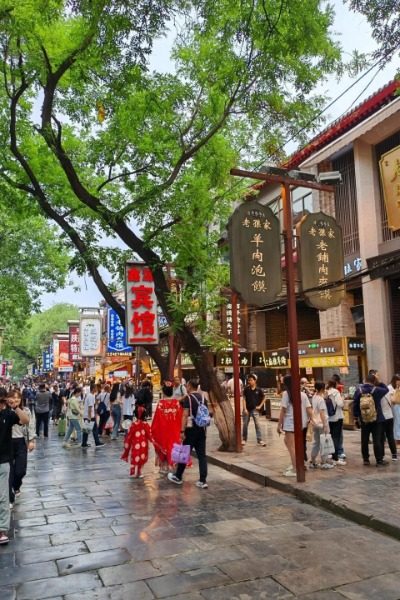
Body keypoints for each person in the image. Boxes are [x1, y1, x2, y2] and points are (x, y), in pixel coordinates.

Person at [0, 387, 30, 544]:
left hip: (4, 458)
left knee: (3, 496)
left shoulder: (8, 414)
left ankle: (2, 529)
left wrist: (15, 407)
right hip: (6, 453)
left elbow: (26, 421)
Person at [168, 378, 209, 488]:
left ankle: (178, 476)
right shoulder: (204, 398)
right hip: (202, 430)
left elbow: (185, 415)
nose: (186, 387)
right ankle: (203, 480)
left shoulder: (189, 399)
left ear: (190, 386)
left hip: (190, 430)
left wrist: (182, 431)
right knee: (202, 456)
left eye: (187, 386)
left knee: (184, 453)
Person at [277, 375, 312, 477]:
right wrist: (313, 420)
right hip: (301, 424)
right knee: (293, 444)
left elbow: (283, 410)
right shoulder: (302, 395)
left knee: (292, 447)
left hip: (290, 424)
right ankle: (300, 464)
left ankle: (295, 468)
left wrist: (279, 425)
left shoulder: (286, 394)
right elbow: (309, 409)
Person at [353, 373, 389, 466]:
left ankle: (366, 459)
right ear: (374, 381)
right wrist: (379, 381)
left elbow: (355, 405)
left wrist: (356, 417)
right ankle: (379, 460)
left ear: (365, 380)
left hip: (364, 419)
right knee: (377, 440)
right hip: (376, 419)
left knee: (364, 440)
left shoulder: (359, 390)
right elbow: (386, 389)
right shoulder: (376, 390)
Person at [7, 390, 36, 507]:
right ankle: (10, 496)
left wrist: (31, 440)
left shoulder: (26, 411)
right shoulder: (5, 411)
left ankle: (16, 485)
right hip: (8, 442)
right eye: (12, 398)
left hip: (21, 442)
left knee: (20, 470)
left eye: (17, 398)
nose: (15, 400)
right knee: (9, 470)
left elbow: (30, 425)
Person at [151, 382, 183, 474]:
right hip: (174, 429)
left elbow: (157, 419)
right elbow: (180, 417)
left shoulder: (161, 404)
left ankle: (163, 467)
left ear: (163, 392)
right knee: (174, 447)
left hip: (163, 430)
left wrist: (153, 429)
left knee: (163, 447)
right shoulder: (176, 403)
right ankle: (172, 467)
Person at [121, 406, 154, 478]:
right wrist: (153, 441)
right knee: (142, 458)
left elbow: (129, 436)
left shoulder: (133, 425)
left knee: (135, 457)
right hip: (143, 445)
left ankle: (134, 471)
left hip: (135, 444)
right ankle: (139, 471)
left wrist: (127, 444)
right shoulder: (145, 424)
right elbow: (149, 435)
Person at [309, 381, 333, 469]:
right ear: (322, 389)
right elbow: (322, 413)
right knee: (324, 442)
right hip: (322, 423)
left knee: (316, 442)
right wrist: (325, 425)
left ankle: (313, 460)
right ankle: (324, 462)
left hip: (315, 423)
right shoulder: (321, 399)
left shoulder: (314, 397)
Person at [242, 374, 266, 447]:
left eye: (251, 380)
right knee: (245, 425)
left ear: (255, 381)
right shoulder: (246, 389)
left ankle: (260, 440)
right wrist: (245, 408)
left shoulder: (259, 390)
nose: (249, 381)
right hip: (247, 409)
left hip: (255, 409)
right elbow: (244, 399)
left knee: (257, 425)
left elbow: (264, 397)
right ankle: (244, 439)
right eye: (249, 380)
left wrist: (260, 406)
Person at [326, 379, 346, 465]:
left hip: (329, 418)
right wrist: (342, 398)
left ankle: (330, 453)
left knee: (331, 435)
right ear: (335, 384)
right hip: (337, 417)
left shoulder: (326, 392)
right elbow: (340, 404)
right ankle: (335, 456)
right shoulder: (336, 392)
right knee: (336, 437)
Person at [81, 383, 105, 449]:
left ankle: (84, 443)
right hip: (90, 416)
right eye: (96, 388)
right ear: (93, 388)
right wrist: (90, 417)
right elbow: (90, 407)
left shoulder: (88, 395)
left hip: (87, 415)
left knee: (86, 430)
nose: (96, 389)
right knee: (94, 429)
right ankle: (97, 442)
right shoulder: (91, 396)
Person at [388, 374, 400, 448]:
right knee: (397, 422)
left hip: (398, 406)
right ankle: (397, 440)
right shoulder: (389, 387)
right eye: (398, 380)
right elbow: (391, 399)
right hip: (394, 407)